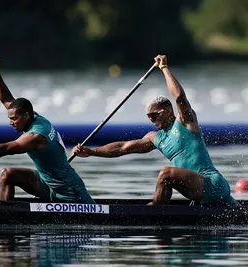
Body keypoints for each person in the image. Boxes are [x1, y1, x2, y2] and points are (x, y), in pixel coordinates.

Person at [72, 55, 239, 206]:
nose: (151, 120)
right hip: (197, 189)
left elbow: (179, 97)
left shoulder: (186, 122)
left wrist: (164, 68)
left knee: (165, 173)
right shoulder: (155, 138)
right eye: (148, 117)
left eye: (154, 115)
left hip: (212, 184)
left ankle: (155, 213)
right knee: (166, 178)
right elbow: (122, 148)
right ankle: (160, 214)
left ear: (168, 111)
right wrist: (91, 152)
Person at [0, 57, 95, 204]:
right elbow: (6, 98)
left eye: (14, 119)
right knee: (7, 175)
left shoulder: (36, 136)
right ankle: (4, 215)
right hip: (46, 184)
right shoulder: (33, 117)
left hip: (69, 190)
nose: (11, 122)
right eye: (10, 118)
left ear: (26, 115)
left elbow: (5, 149)